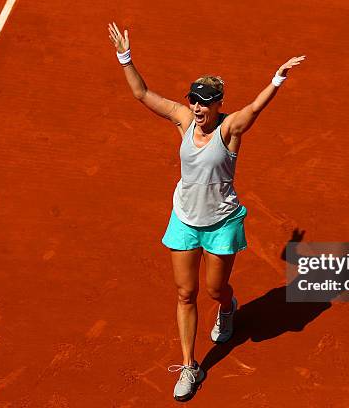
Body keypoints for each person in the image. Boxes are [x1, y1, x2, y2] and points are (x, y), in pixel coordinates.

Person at [108, 22, 305, 401]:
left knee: (214, 290)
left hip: (220, 224)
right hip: (184, 219)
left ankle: (228, 307)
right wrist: (125, 56)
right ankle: (189, 365)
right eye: (194, 100)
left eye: (204, 102)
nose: (197, 108)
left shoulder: (230, 129)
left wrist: (277, 79)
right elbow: (142, 93)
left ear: (218, 104)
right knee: (186, 293)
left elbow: (255, 107)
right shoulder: (183, 119)